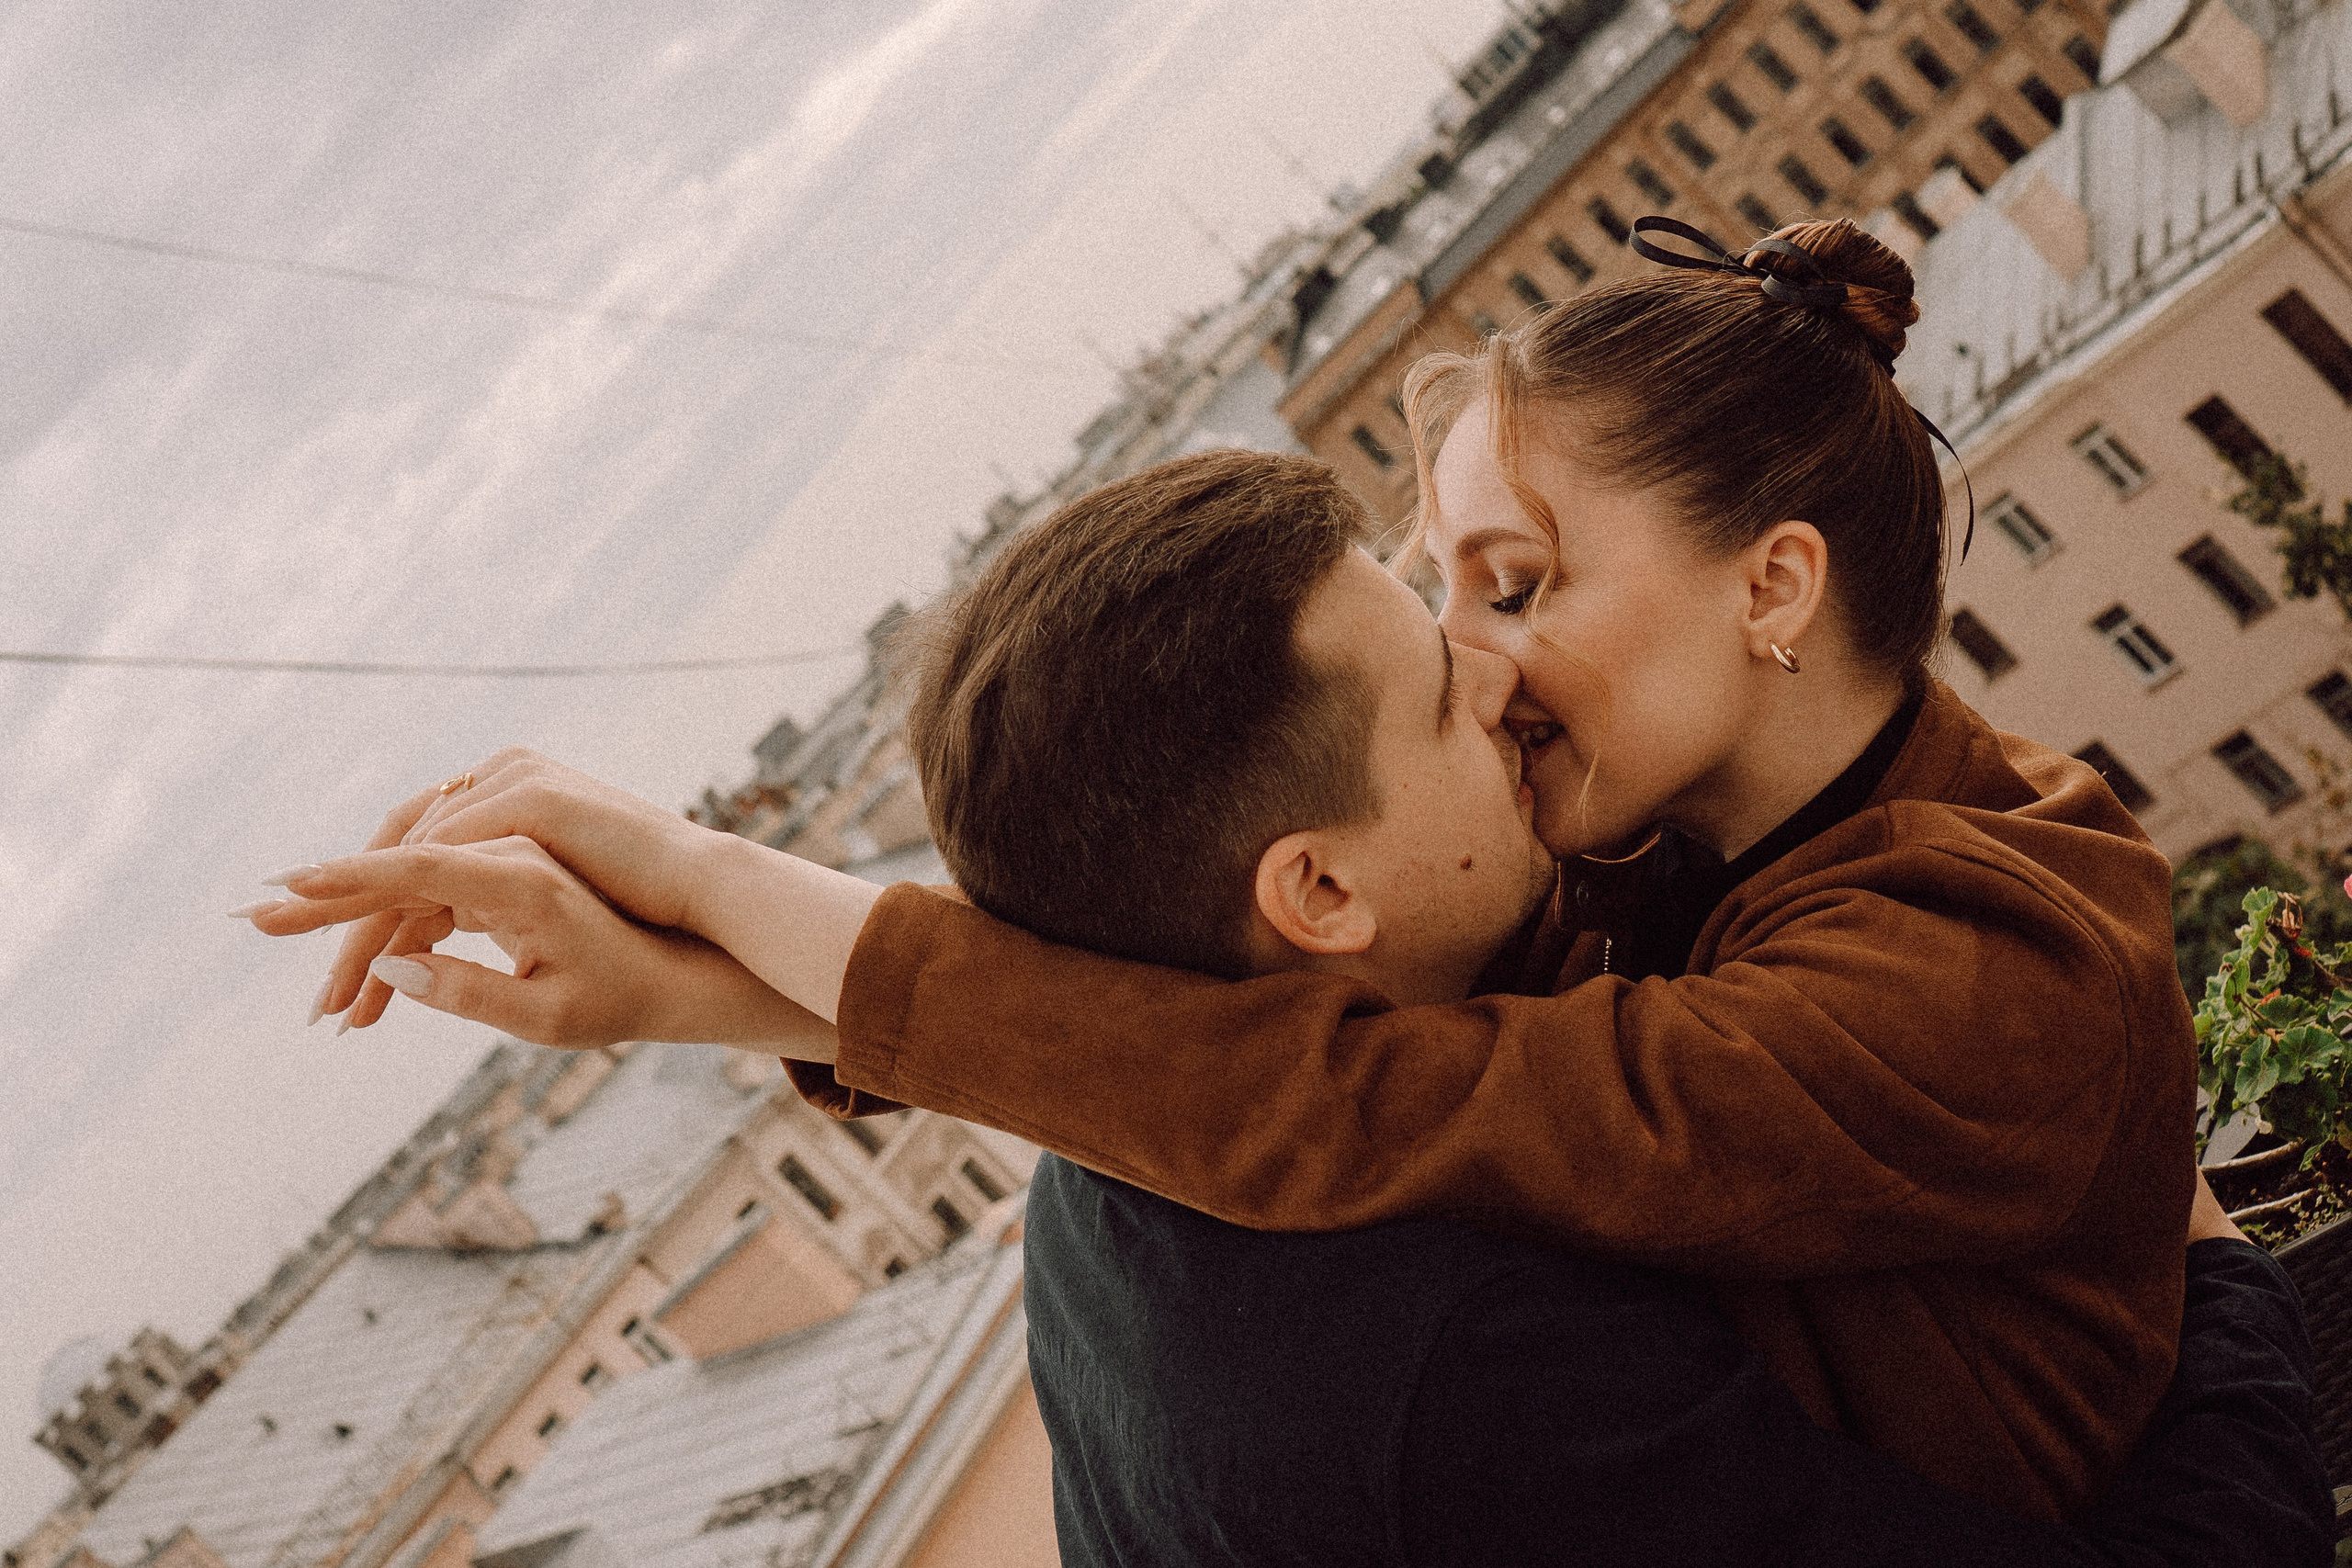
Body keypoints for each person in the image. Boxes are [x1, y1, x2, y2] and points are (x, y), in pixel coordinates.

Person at [244, 449, 2332, 1562]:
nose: (1500, 671)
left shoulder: (1123, 1178)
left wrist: (710, 977)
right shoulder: (1459, 1370)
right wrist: (2196, 1253)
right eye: (1441, 687)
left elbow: (1154, 1052)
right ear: (1314, 892)